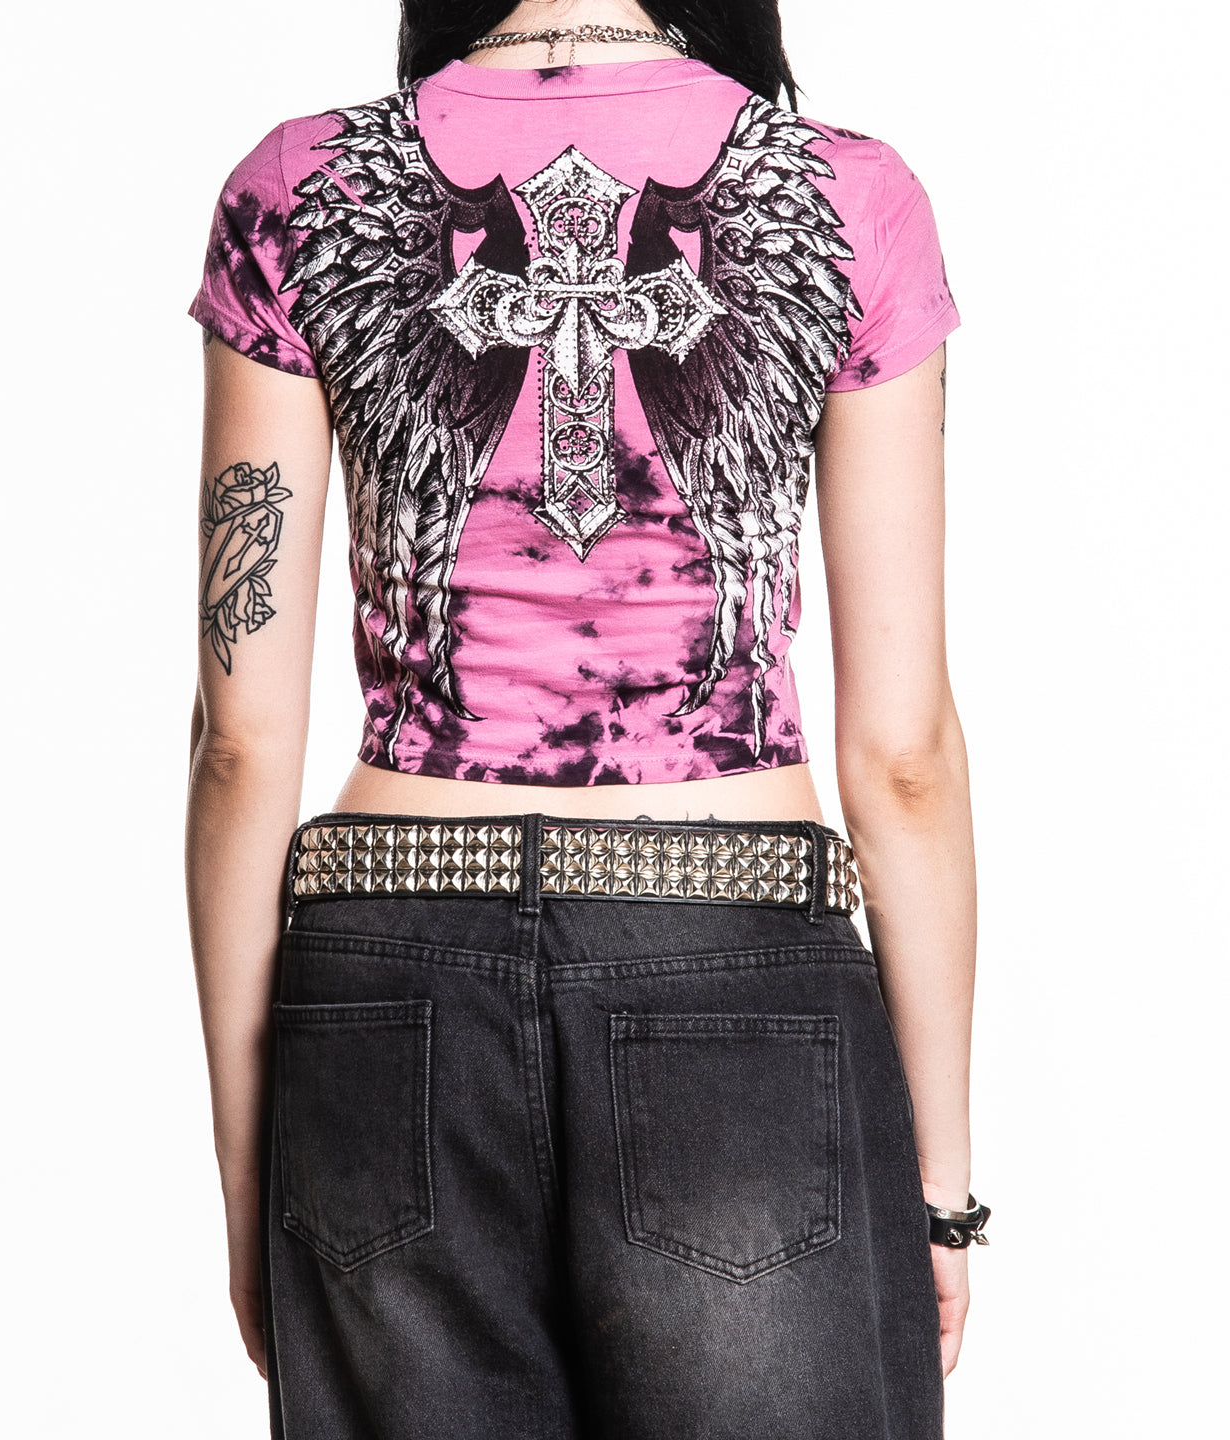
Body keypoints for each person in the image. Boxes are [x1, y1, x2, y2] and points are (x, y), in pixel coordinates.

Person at [184, 2, 987, 1435]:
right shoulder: (847, 196)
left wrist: (254, 1174)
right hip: (732, 969)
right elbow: (904, 755)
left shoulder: (296, 187)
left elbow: (241, 742)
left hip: (386, 986)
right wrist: (941, 1190)